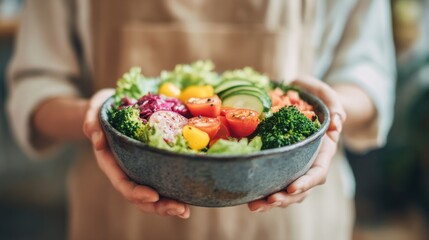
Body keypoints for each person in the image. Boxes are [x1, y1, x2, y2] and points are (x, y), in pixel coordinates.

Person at [6, 0, 396, 239]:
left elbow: (368, 74)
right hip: (121, 220)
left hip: (290, 217)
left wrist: (330, 109)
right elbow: (36, 87)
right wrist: (98, 119)